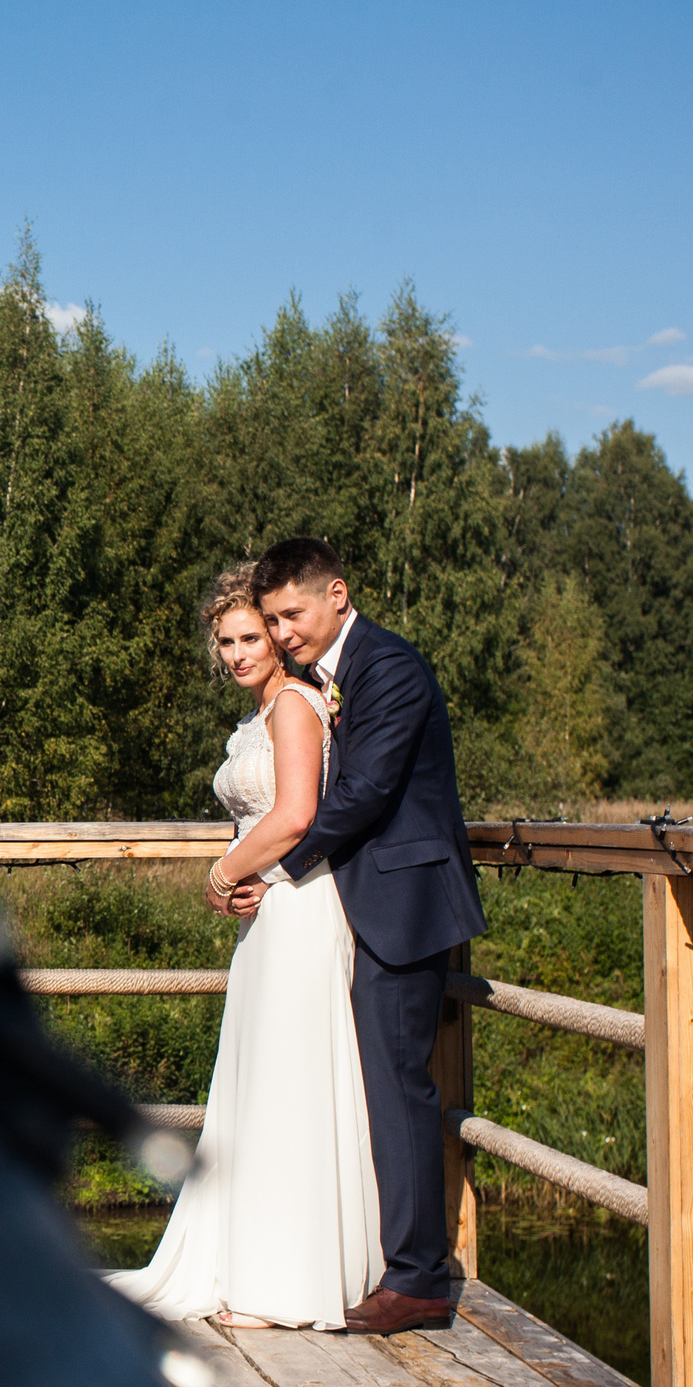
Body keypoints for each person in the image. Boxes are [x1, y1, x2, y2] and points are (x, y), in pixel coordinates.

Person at [106, 564, 382, 1329]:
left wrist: (224, 871)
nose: (236, 653)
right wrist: (236, 879)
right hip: (266, 911)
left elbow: (295, 814)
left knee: (290, 1085)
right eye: (225, 641)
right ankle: (254, 1263)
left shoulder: (294, 705)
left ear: (277, 638)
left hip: (300, 907)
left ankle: (285, 1283)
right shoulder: (256, 716)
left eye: (250, 638)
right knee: (262, 1084)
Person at [235, 537, 486, 1336]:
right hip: (360, 905)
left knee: (398, 1084)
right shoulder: (323, 677)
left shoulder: (391, 668)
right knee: (371, 1081)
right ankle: (381, 1260)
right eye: (272, 620)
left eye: (291, 615)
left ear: (337, 594)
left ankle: (417, 1280)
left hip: (404, 907)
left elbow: (367, 791)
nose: (282, 633)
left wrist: (274, 867)